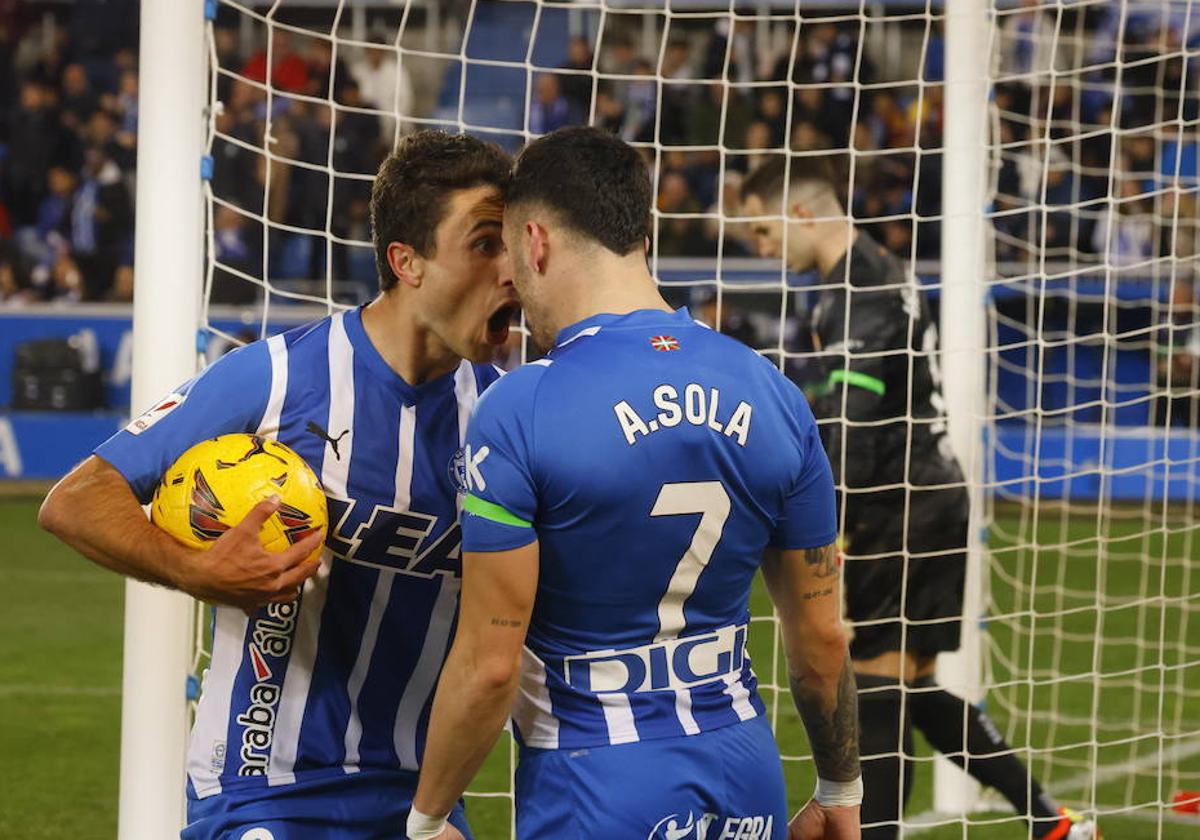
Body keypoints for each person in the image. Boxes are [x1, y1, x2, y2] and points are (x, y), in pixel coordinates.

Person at [38, 130, 520, 839]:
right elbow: (77, 499)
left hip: (418, 800)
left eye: (513, 243)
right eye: (485, 244)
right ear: (406, 261)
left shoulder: (503, 418)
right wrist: (200, 570)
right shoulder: (275, 377)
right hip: (261, 791)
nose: (511, 269)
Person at [406, 126, 861, 840]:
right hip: (745, 771)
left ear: (536, 243)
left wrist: (428, 821)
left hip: (597, 783)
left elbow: (490, 666)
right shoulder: (772, 394)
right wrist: (839, 787)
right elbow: (822, 640)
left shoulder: (522, 408)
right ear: (641, 233)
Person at [739, 154, 1099, 840]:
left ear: (801, 212)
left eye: (762, 231)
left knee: (870, 685)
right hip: (931, 495)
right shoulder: (881, 267)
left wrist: (829, 523)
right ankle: (1053, 822)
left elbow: (856, 418)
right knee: (908, 684)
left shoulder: (858, 288)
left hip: (900, 504)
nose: (762, 249)